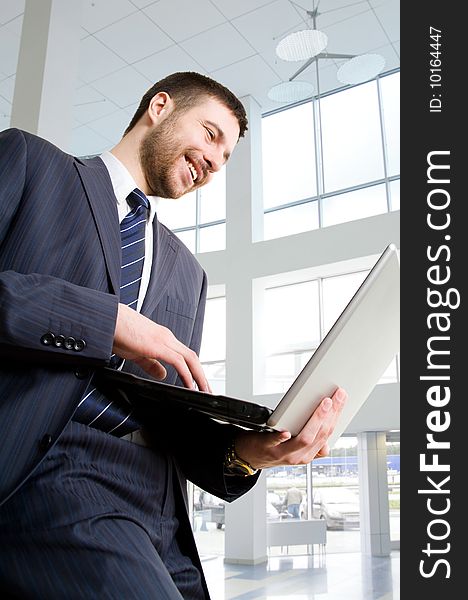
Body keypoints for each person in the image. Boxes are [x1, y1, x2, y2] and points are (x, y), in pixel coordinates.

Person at [0, 71, 346, 599]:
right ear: (159, 106)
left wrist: (249, 452)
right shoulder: (31, 163)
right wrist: (106, 321)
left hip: (160, 508)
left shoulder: (189, 272)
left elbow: (169, 411)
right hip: (50, 466)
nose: (214, 162)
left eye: (225, 157)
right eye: (210, 134)